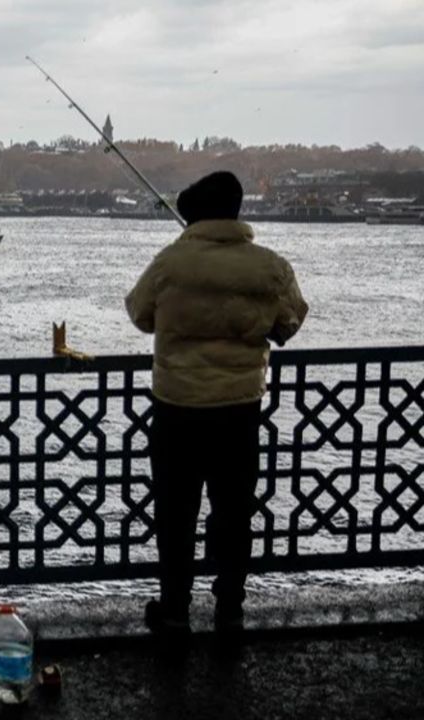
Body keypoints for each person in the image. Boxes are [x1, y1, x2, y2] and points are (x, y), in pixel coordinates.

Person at [125, 171, 307, 636]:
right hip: (239, 409)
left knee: (176, 513)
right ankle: (229, 608)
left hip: (177, 407)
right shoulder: (270, 267)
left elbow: (140, 313)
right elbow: (289, 322)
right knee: (232, 512)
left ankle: (174, 610)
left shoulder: (171, 262)